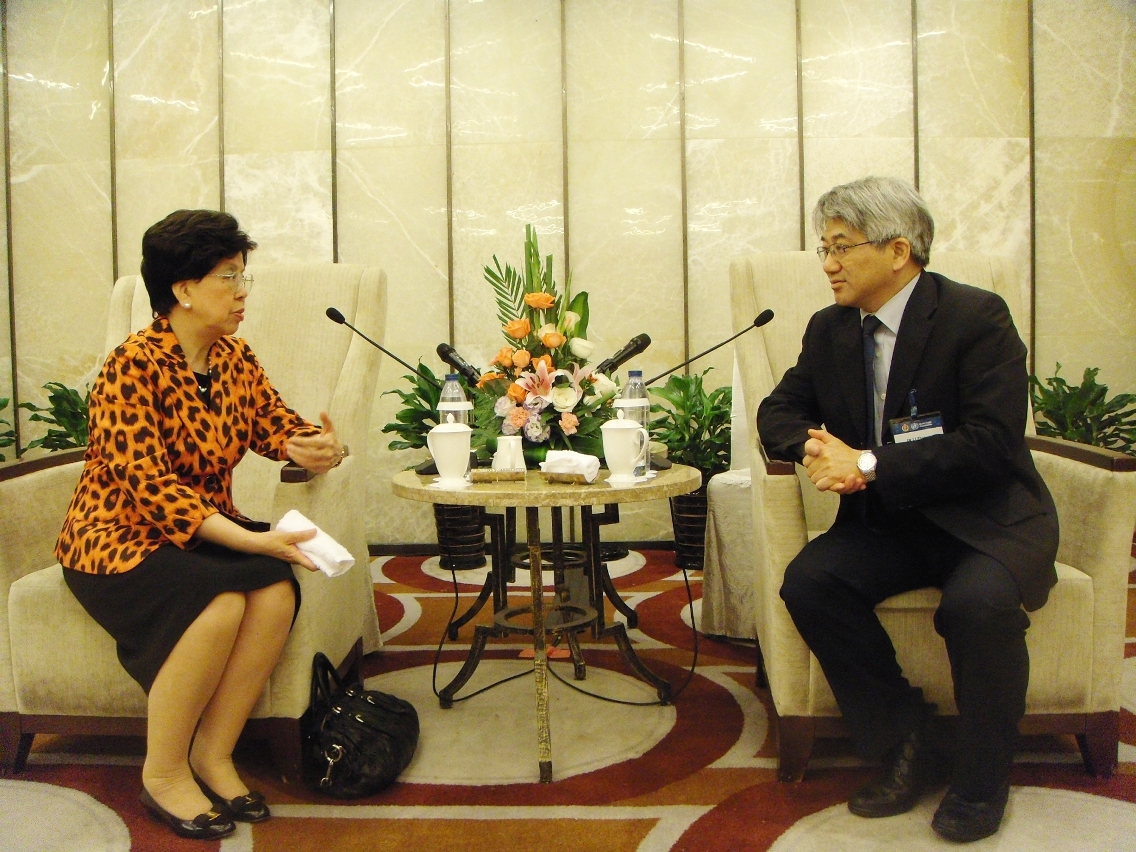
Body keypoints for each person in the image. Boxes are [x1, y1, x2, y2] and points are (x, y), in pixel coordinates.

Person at [758, 176, 1058, 843]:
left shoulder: (976, 318)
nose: (828, 263)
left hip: (985, 520)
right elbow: (777, 410)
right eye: (823, 248)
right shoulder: (830, 330)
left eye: (841, 246)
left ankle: (981, 781)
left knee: (975, 606)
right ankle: (906, 737)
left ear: (898, 251)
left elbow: (992, 444)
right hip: (892, 523)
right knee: (811, 581)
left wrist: (866, 464)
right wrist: (818, 447)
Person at [55, 210, 348, 841]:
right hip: (117, 538)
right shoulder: (130, 366)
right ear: (183, 290)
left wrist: (314, 447)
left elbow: (274, 424)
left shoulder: (234, 357)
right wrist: (251, 539)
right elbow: (153, 491)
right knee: (215, 606)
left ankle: (214, 752)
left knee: (272, 591)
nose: (243, 292)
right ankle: (162, 773)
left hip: (205, 531)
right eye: (228, 277)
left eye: (245, 276)